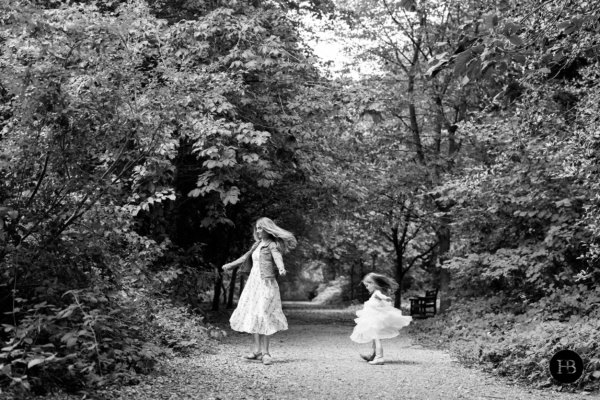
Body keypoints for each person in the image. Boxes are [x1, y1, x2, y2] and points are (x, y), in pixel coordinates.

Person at [222, 217, 296, 366]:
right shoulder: (257, 244)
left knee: (265, 314)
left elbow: (277, 256)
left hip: (266, 283)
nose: (258, 231)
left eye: (260, 228)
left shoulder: (272, 245)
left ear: (268, 229)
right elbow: (245, 257)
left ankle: (266, 353)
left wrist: (281, 267)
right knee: (254, 313)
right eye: (257, 228)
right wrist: (230, 265)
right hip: (253, 284)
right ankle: (256, 351)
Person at [350, 272, 412, 365]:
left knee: (376, 337)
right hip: (374, 319)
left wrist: (386, 298)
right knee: (375, 338)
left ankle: (379, 357)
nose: (366, 288)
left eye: (367, 285)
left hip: (375, 320)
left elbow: (381, 296)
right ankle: (374, 355)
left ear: (372, 284)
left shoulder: (377, 293)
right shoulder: (375, 293)